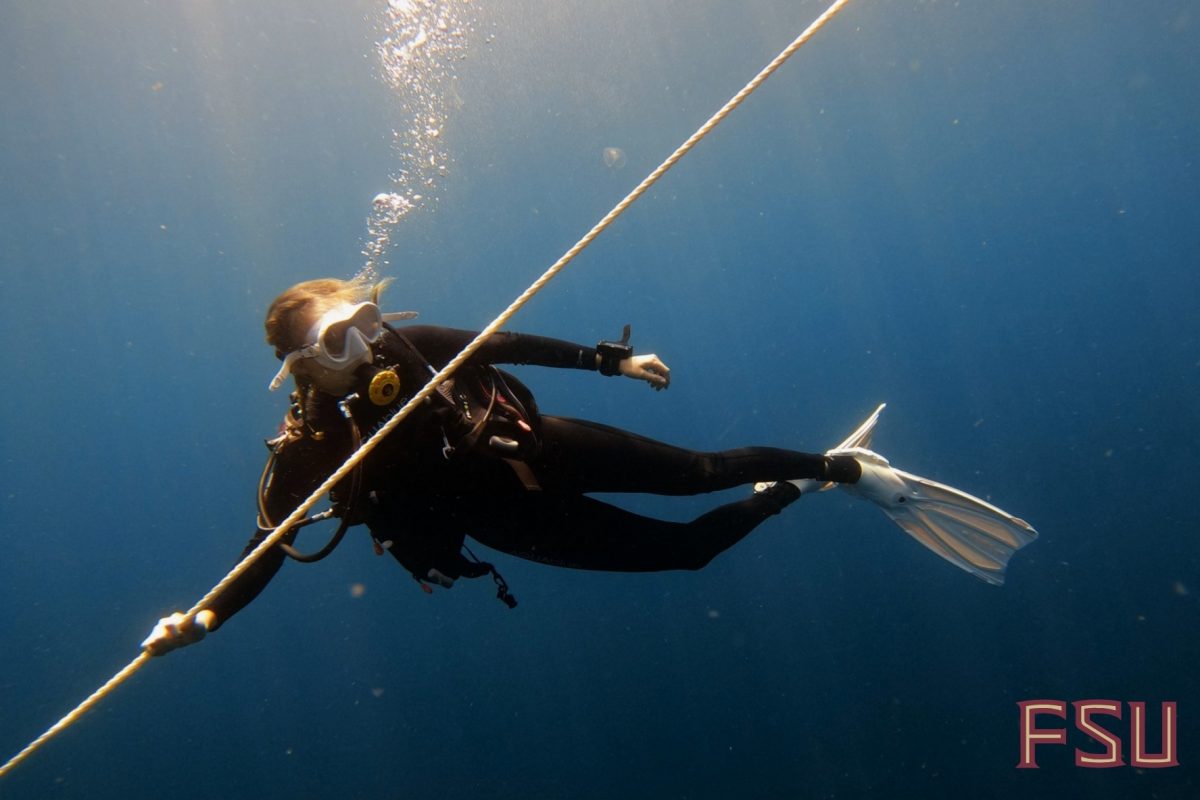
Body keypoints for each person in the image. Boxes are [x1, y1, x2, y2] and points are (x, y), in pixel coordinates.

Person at [142, 277, 1037, 654]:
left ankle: (843, 469)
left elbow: (506, 341)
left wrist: (611, 360)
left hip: (537, 447)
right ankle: (794, 488)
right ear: (305, 370)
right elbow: (265, 549)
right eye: (346, 338)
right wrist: (203, 617)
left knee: (701, 470)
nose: (372, 339)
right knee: (689, 553)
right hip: (507, 520)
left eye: (367, 316)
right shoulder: (310, 449)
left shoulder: (409, 344)